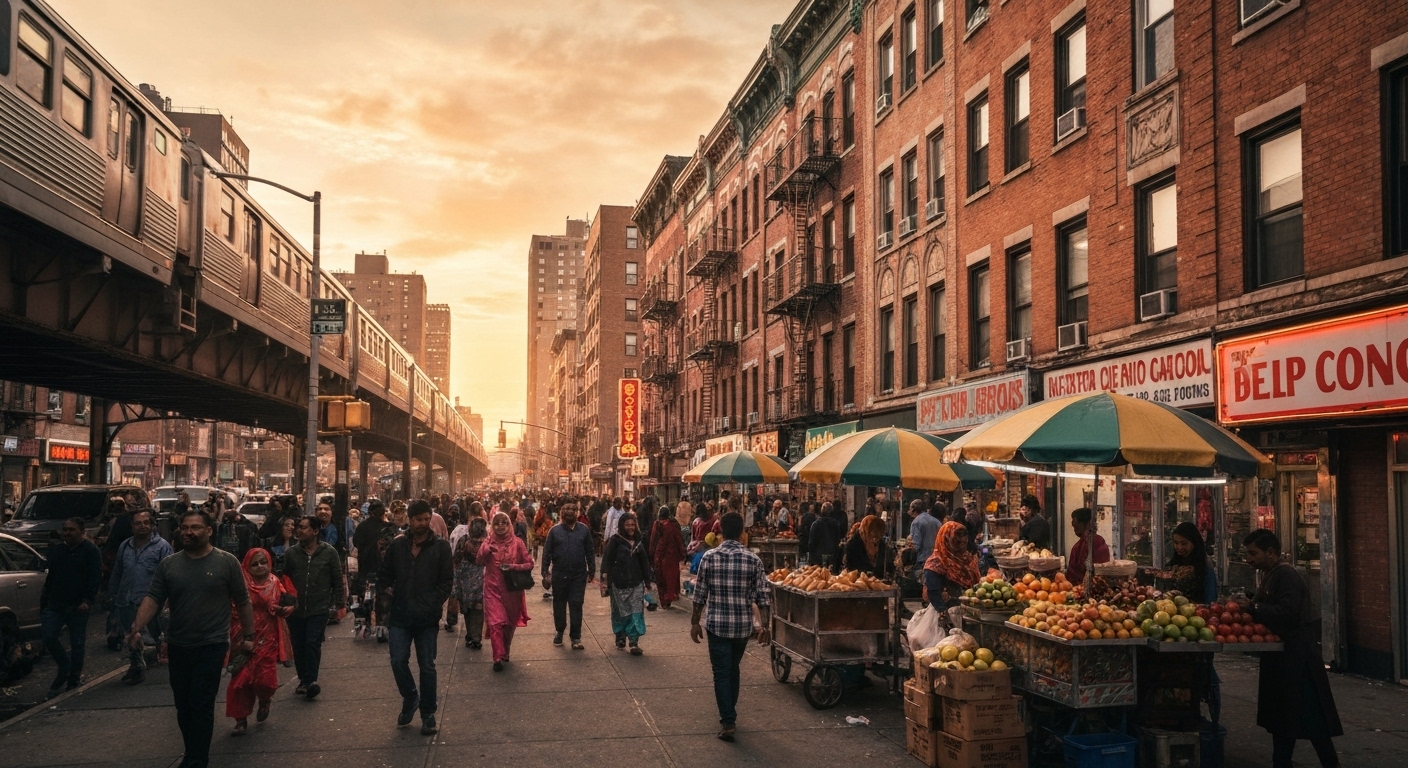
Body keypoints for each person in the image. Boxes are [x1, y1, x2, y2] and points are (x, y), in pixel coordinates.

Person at [127, 510, 254, 768]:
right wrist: (136, 628)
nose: (189, 532)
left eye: (195, 527)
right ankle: (192, 750)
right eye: (185, 527)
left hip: (212, 644)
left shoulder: (226, 562)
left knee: (201, 702)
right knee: (183, 705)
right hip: (179, 644)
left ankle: (197, 758)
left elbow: (242, 601)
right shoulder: (170, 565)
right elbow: (153, 597)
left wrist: (249, 637)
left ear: (209, 530)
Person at [1235, 529, 1342, 768]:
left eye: (1253, 553)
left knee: (1307, 719)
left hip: (1297, 660)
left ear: (1270, 552)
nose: (1249, 559)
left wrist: (1254, 608)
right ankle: (1282, 762)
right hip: (1283, 659)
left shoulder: (1287, 576)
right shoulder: (1271, 574)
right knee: (1286, 720)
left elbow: (1288, 612)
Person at [690, 511, 770, 743]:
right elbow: (763, 596)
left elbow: (699, 594)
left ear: (720, 531)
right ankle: (729, 712)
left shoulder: (709, 557)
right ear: (742, 532)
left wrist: (695, 622)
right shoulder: (753, 559)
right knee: (732, 668)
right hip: (742, 627)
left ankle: (728, 720)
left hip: (717, 625)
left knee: (722, 672)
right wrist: (764, 625)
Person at [379, 500, 453, 735]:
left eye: (426, 519)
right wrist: (390, 592)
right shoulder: (397, 546)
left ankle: (428, 713)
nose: (423, 523)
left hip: (427, 619)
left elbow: (446, 583)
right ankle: (410, 696)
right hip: (400, 614)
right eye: (418, 519)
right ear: (409, 520)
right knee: (397, 661)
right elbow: (384, 575)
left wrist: (431, 603)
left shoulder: (440, 548)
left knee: (427, 666)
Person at [226, 548, 293, 736]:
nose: (260, 567)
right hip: (241, 634)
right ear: (246, 566)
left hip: (268, 636)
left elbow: (286, 603)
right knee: (240, 680)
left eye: (263, 562)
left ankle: (265, 699)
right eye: (254, 564)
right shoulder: (240, 583)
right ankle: (240, 719)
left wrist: (284, 609)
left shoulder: (275, 582)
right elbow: (231, 605)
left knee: (266, 679)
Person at [284, 515, 345, 700]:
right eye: (298, 527)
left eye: (303, 528)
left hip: (319, 608)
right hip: (295, 609)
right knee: (299, 645)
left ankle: (310, 681)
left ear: (315, 531)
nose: (299, 531)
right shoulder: (292, 553)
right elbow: (285, 579)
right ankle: (303, 678)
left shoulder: (329, 552)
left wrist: (339, 604)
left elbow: (337, 579)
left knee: (312, 643)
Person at [108, 509, 173, 685]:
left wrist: (167, 599)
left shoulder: (163, 547)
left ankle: (160, 662)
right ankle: (136, 666)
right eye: (138, 523)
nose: (142, 526)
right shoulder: (125, 546)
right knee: (132, 635)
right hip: (126, 599)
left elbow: (170, 575)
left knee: (156, 636)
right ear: (132, 526)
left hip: (151, 602)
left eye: (146, 522)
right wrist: (112, 593)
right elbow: (118, 571)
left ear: (152, 525)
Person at [40, 517, 102, 698]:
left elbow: (94, 578)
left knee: (77, 643)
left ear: (82, 532)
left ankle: (73, 677)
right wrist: (45, 601)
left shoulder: (90, 551)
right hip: (56, 603)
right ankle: (64, 665)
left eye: (71, 530)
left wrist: (87, 600)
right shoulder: (58, 551)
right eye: (64, 530)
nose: (66, 533)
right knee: (49, 637)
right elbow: (50, 577)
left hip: (78, 606)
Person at [478, 511, 533, 670]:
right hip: (492, 589)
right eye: (497, 523)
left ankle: (505, 651)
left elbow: (529, 564)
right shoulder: (488, 543)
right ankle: (497, 658)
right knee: (496, 623)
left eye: (504, 523)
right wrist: (486, 551)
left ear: (510, 525)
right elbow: (479, 561)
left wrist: (512, 567)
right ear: (492, 526)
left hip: (512, 591)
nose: (500, 526)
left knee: (508, 624)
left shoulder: (518, 543)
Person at [541, 498, 596, 650]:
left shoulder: (583, 530)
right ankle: (559, 631)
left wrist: (592, 570)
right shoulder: (554, 531)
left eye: (573, 510)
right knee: (559, 604)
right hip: (559, 574)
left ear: (577, 513)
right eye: (567, 510)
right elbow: (547, 553)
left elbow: (590, 551)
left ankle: (576, 637)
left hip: (579, 575)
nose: (570, 512)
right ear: (562, 513)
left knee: (576, 604)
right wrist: (545, 573)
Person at [601, 512, 652, 654]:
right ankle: (620, 636)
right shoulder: (615, 541)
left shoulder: (638, 541)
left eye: (633, 524)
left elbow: (644, 562)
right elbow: (607, 561)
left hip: (636, 583)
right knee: (620, 612)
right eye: (627, 525)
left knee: (636, 612)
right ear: (622, 526)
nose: (630, 528)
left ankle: (634, 642)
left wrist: (647, 581)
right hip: (618, 583)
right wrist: (605, 579)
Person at [923, 520, 980, 608]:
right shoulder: (935, 562)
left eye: (964, 535)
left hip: (971, 608)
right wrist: (943, 613)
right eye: (958, 535)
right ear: (946, 538)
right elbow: (933, 592)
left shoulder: (968, 558)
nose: (963, 539)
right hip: (947, 611)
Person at [1157, 522, 1217, 602]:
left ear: (1194, 543)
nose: (1179, 547)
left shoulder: (1204, 566)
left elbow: (1211, 598)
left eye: (1184, 543)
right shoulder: (1173, 564)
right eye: (1176, 543)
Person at [453, 517, 488, 650]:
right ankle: (476, 637)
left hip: (465, 580)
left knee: (467, 609)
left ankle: (470, 635)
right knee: (478, 609)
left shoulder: (464, 541)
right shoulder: (487, 543)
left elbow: (456, 559)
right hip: (480, 579)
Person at [650, 505, 685, 609]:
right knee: (671, 579)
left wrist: (651, 554)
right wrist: (682, 554)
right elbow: (679, 540)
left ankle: (664, 601)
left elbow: (652, 541)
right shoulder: (673, 525)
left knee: (661, 579)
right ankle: (669, 598)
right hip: (671, 557)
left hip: (659, 556)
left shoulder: (657, 525)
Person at [1065, 507, 1111, 585]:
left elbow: (1100, 570)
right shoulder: (1078, 545)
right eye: (1073, 524)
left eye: (1075, 523)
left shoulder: (1096, 542)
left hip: (1092, 587)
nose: (1074, 527)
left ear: (1088, 523)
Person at [807, 502, 845, 573]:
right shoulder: (836, 524)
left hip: (818, 557)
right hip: (832, 555)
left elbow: (811, 542)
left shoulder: (815, 524)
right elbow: (838, 539)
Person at [909, 500, 942, 581]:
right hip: (937, 560)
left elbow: (916, 546)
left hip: (922, 561)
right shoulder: (937, 522)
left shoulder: (916, 522)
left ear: (914, 510)